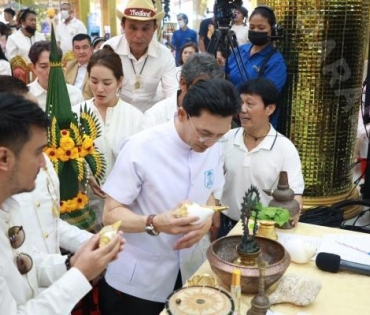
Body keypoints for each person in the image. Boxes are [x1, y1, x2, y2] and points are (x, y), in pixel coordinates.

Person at [98, 78, 240, 315]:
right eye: (205, 133)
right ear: (183, 114)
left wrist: (205, 220)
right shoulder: (141, 147)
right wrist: (154, 222)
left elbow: (210, 194)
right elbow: (110, 214)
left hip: (188, 271)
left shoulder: (213, 146)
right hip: (139, 279)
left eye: (220, 135)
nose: (211, 143)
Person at [0, 92, 124, 314]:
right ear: (4, 158)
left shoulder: (9, 206)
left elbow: (25, 264)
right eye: (38, 152)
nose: (43, 163)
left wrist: (72, 262)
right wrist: (80, 274)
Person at [216, 78, 304, 238]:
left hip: (264, 229)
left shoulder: (284, 148)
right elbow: (212, 182)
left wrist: (292, 214)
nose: (242, 110)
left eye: (250, 104)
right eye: (240, 103)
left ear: (269, 108)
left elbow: (295, 194)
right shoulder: (226, 139)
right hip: (227, 225)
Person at [73, 46, 143, 227]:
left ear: (120, 81)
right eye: (94, 81)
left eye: (107, 82)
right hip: (84, 206)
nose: (100, 89)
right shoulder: (77, 114)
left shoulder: (135, 118)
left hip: (124, 207)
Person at [103, 0, 177, 112]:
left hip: (150, 116)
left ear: (155, 29)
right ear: (123, 26)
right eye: (133, 28)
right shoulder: (109, 49)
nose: (139, 35)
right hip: (116, 113)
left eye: (145, 28)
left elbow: (172, 95)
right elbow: (99, 90)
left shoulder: (165, 55)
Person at [226, 6, 287, 128]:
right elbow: (223, 77)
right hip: (232, 120)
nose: (256, 31)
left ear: (272, 30)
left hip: (258, 126)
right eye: (252, 27)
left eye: (261, 28)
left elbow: (266, 96)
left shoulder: (276, 62)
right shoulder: (239, 51)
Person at [143, 53, 223, 129]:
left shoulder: (218, 115)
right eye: (201, 87)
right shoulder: (155, 118)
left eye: (212, 89)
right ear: (183, 83)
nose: (207, 94)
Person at [28, 41, 84, 110]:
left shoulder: (74, 94)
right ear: (33, 68)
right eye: (43, 66)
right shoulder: (25, 96)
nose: (50, 72)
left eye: (54, 66)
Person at [65, 33, 94, 99]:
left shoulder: (97, 67)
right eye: (77, 48)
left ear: (91, 49)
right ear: (73, 50)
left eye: (85, 47)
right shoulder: (70, 65)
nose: (81, 51)